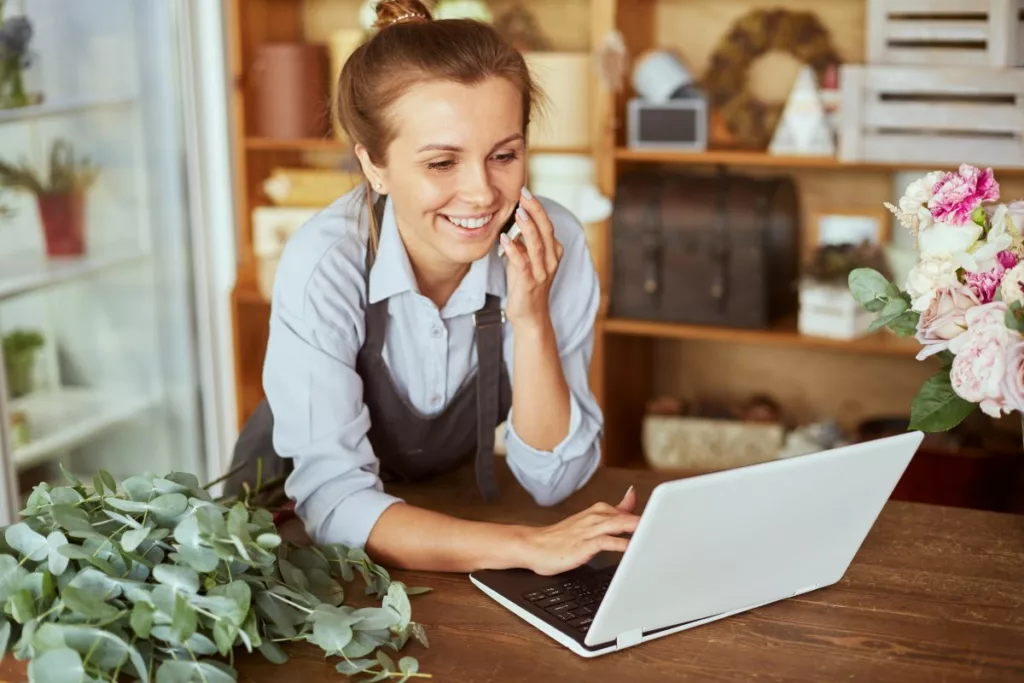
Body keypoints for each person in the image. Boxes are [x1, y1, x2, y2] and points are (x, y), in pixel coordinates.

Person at [226, 0, 638, 576]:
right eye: (442, 162)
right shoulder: (326, 263)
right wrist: (526, 547)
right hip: (289, 540)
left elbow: (554, 482)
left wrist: (532, 316)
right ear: (374, 165)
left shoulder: (552, 243)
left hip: (438, 515)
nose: (482, 193)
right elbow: (336, 504)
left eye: (504, 155)